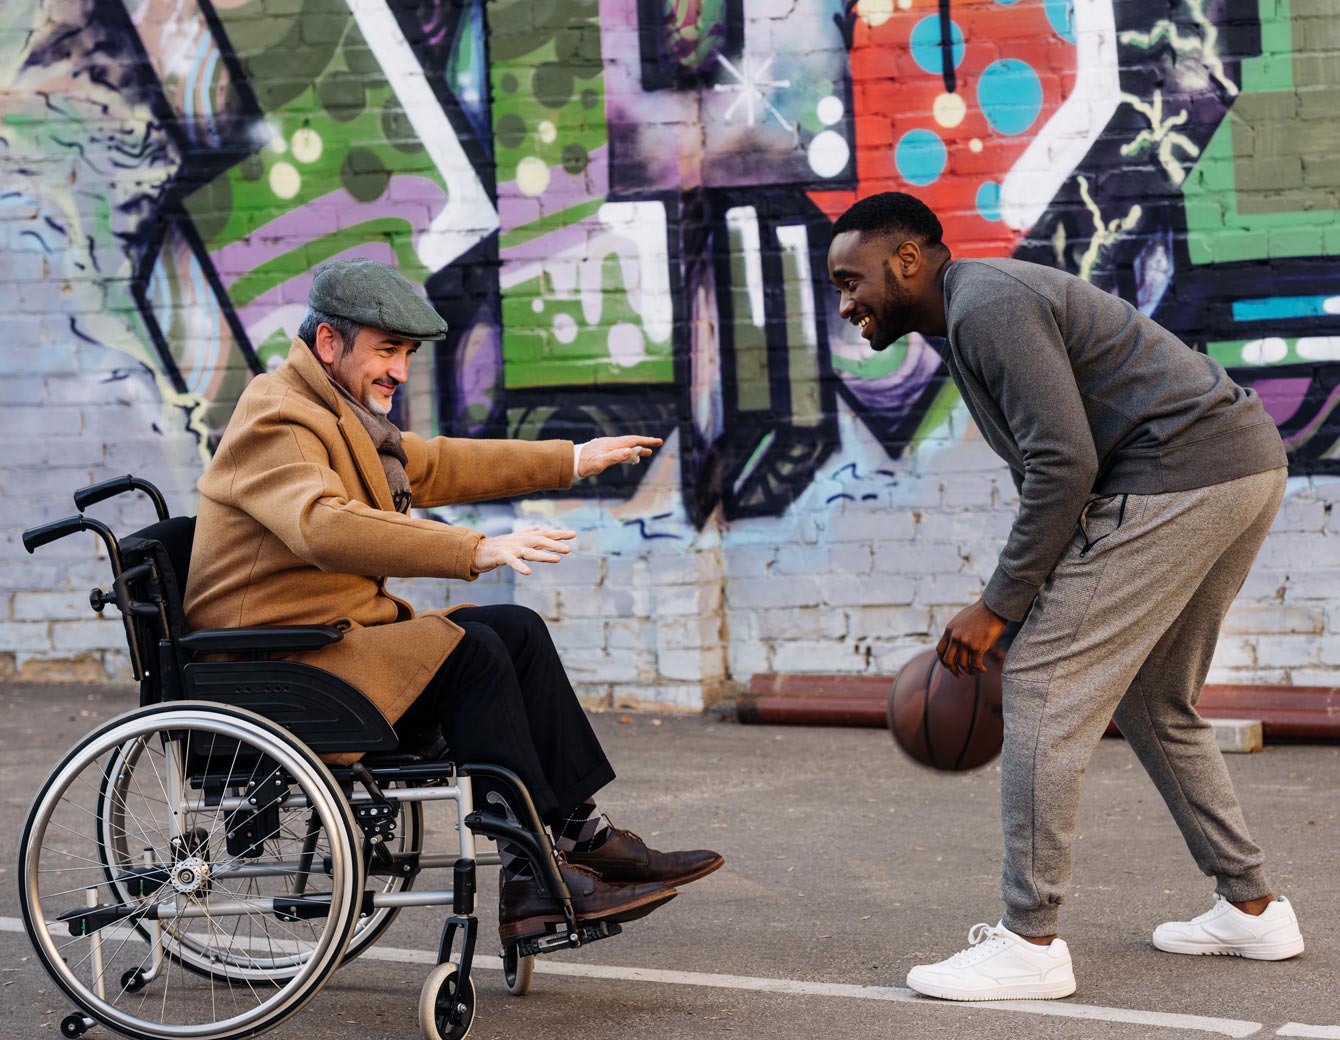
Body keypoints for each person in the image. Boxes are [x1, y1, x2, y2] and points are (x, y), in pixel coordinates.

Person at [827, 193, 1304, 1001]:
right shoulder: (976, 312)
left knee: (1044, 686)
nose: (846, 304)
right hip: (1237, 467)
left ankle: (1029, 942)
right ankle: (1252, 906)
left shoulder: (989, 306)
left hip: (1182, 474)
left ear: (908, 258)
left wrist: (1002, 606)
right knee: (1155, 698)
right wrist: (1029, 596)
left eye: (852, 279)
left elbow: (1063, 465)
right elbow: (1056, 471)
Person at [184, 258, 723, 945]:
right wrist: (472, 549)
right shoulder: (278, 417)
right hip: (280, 664)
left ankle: (580, 834)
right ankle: (531, 876)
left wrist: (572, 459)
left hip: (331, 647)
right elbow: (322, 524)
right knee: (474, 654)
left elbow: (433, 463)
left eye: (406, 355)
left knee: (515, 630)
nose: (400, 372)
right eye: (386, 351)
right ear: (328, 343)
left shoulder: (336, 413)